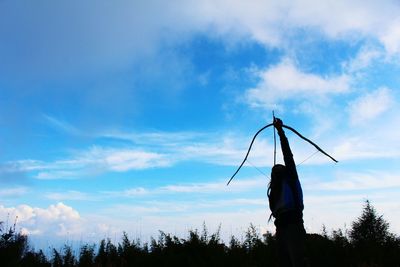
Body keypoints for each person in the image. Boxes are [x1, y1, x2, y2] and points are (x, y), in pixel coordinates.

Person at [268, 118, 306, 267]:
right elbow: (273, 209)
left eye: (279, 169)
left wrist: (280, 131)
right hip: (281, 226)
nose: (276, 172)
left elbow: (287, 155)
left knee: (298, 261)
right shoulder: (275, 190)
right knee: (284, 262)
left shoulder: (290, 177)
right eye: (274, 171)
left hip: (293, 223)